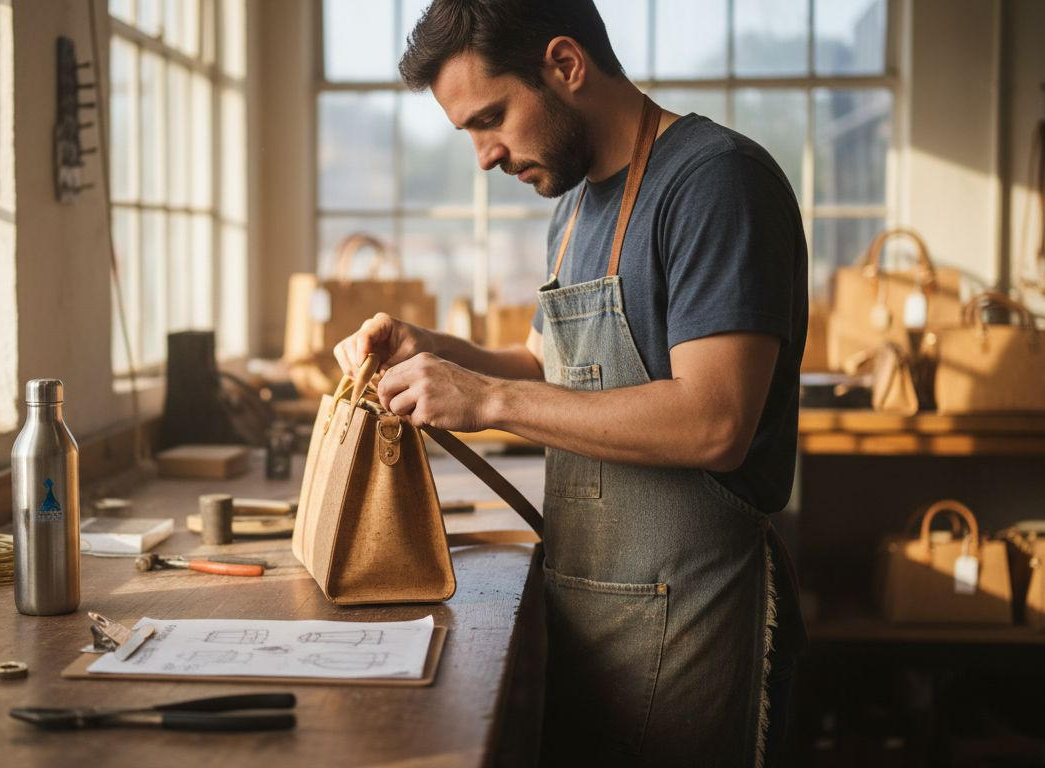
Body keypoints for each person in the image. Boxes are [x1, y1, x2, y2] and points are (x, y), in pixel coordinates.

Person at [332, 1, 809, 765]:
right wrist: (433, 351)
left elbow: (715, 423)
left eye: (492, 118)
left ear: (565, 65)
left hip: (692, 619)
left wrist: (488, 402)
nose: (485, 156)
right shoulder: (577, 202)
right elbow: (541, 367)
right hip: (591, 612)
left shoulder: (716, 183)